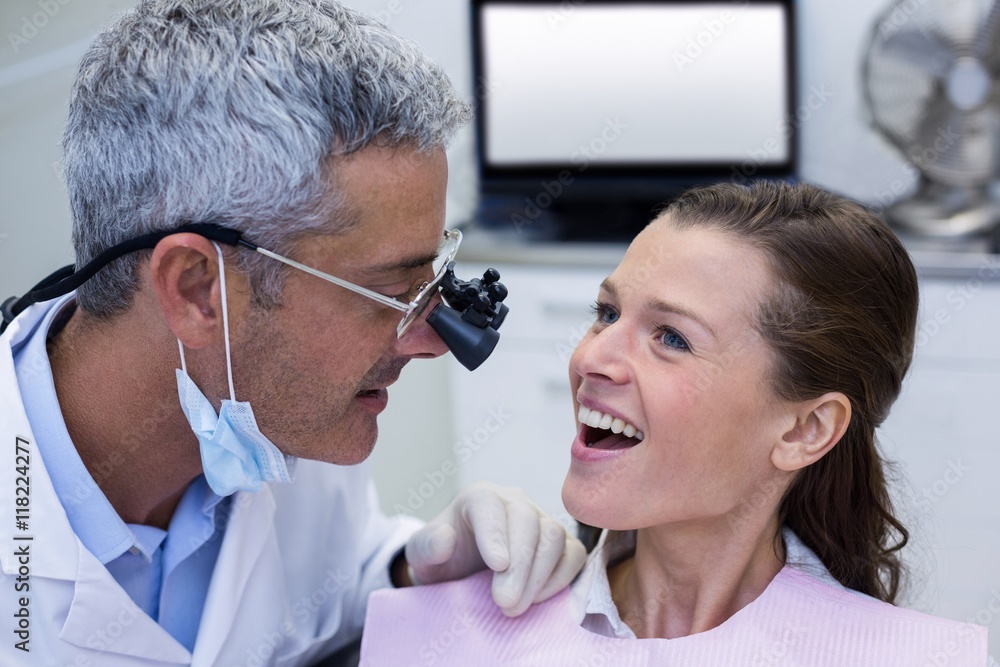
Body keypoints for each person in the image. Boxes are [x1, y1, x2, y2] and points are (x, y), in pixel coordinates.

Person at [0, 1, 587, 665]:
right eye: (392, 294)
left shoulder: (270, 424)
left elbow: (328, 586)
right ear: (197, 289)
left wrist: (412, 567)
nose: (429, 341)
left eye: (431, 285)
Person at [360, 181, 995, 665]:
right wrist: (413, 573)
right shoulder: (452, 634)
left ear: (806, 429)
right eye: (607, 313)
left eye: (671, 337)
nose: (592, 359)